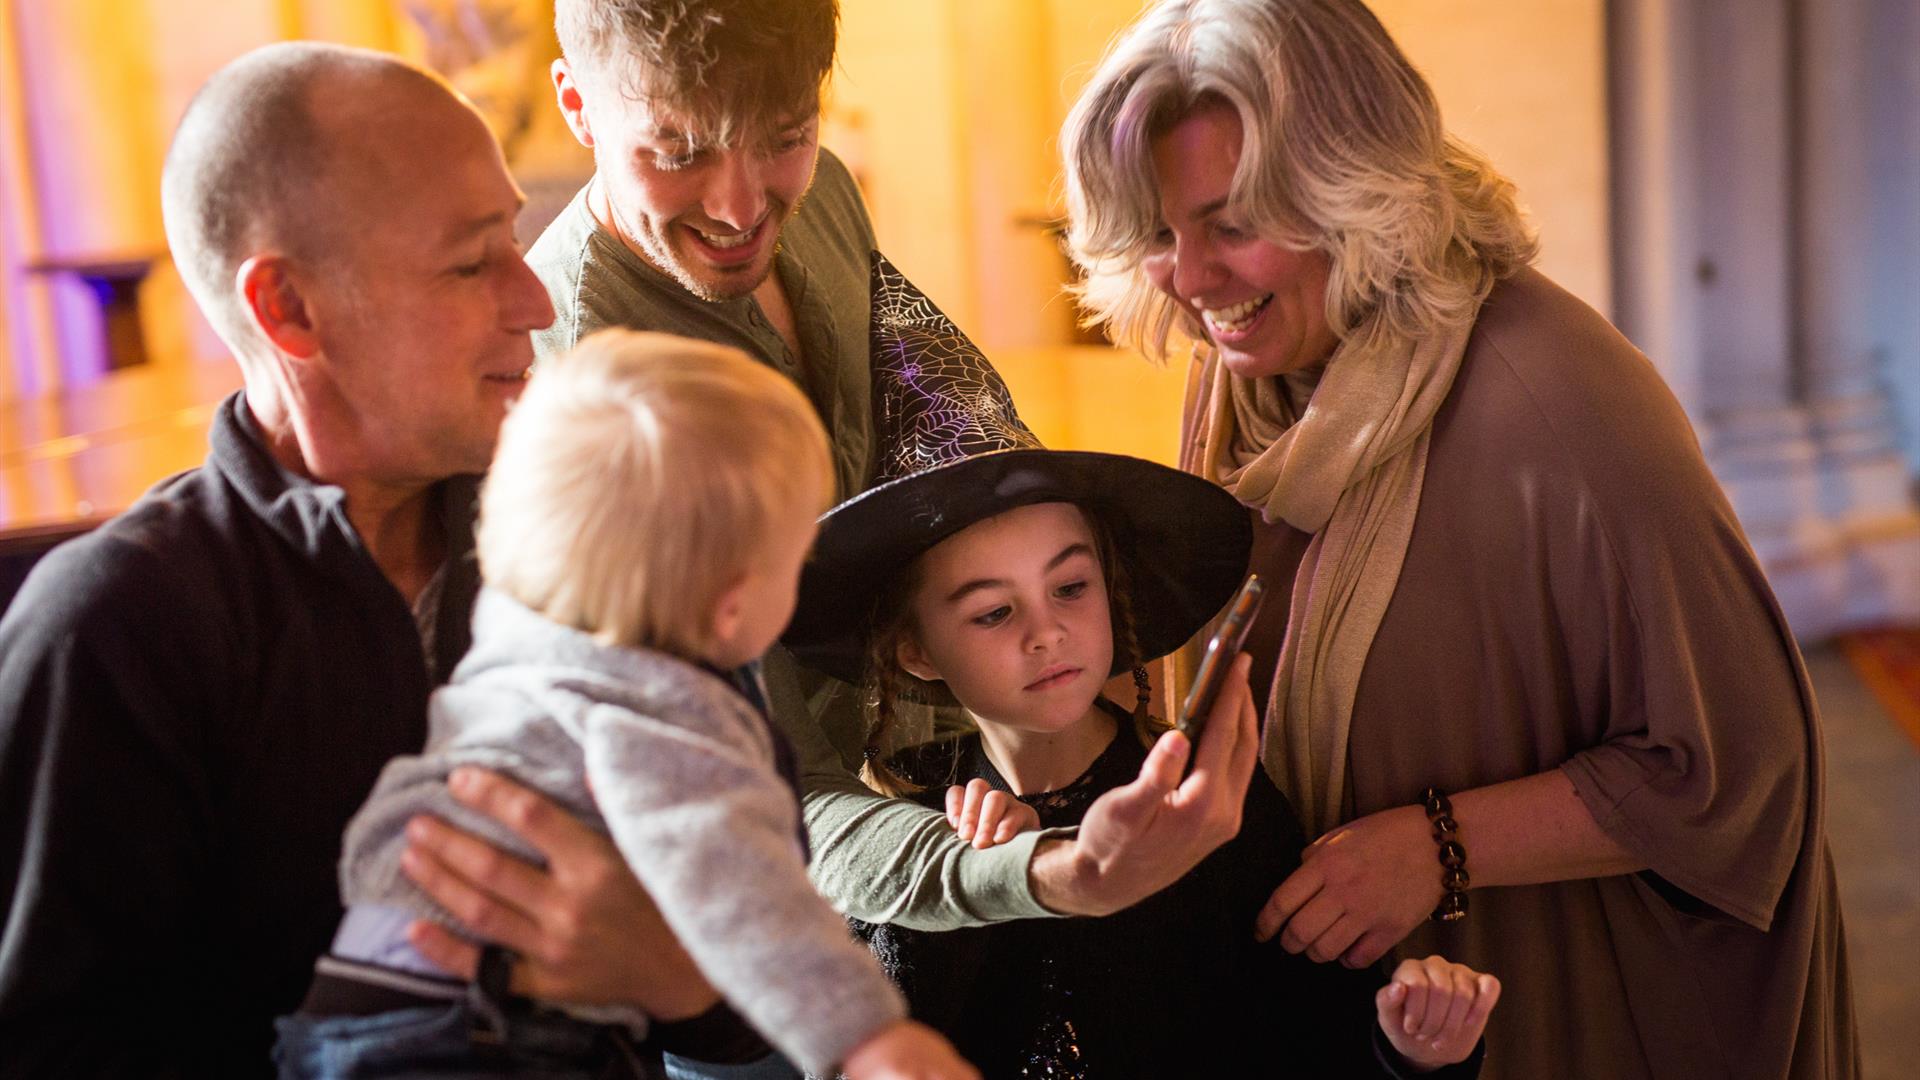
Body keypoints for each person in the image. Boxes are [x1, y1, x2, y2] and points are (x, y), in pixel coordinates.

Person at [1057, 1, 1859, 1077]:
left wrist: (1435, 848)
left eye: (1233, 223)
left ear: (1357, 188)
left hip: (1553, 1009)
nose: (1192, 281)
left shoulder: (1566, 410)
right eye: (1160, 234)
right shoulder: (1252, 364)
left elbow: (1741, 763)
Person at [0, 44, 707, 1075]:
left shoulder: (592, 555)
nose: (536, 302)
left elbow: (756, 965)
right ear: (290, 309)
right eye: (472, 263)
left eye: (514, 240)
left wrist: (677, 974)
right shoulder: (114, 630)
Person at [520, 0, 1261, 947]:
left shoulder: (822, 191)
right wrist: (1059, 876)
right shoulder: (594, 393)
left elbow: (932, 439)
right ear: (577, 104)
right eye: (678, 153)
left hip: (958, 797)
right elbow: (773, 792)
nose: (742, 209)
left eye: (784, 136)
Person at [781, 344, 1500, 1078]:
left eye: (1070, 588)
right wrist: (985, 890)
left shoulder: (1205, 808)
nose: (1048, 632)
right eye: (995, 612)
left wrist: (1415, 1053)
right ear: (916, 652)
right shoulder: (911, 828)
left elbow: (1309, 1032)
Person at [276, 330, 974, 1079]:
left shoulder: (517, 632)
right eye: (792, 562)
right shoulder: (667, 718)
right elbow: (747, 893)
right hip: (479, 1031)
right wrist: (864, 1035)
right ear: (732, 608)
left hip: (350, 1000)